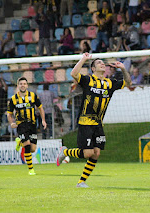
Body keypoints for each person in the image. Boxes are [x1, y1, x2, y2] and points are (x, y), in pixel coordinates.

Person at [56, 53, 131, 188]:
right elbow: (74, 74)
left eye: (103, 63)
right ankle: (65, 151)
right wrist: (83, 59)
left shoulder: (110, 83)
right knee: (88, 153)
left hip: (98, 123)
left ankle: (81, 182)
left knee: (96, 153)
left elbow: (128, 83)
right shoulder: (88, 80)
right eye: (99, 63)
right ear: (93, 69)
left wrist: (123, 69)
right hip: (86, 122)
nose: (102, 64)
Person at [7, 77, 47, 175]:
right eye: (21, 84)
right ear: (18, 86)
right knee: (28, 146)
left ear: (27, 85)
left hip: (32, 124)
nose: (23, 85)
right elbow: (9, 113)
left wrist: (43, 120)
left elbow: (40, 108)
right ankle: (31, 169)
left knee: (33, 149)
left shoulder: (33, 96)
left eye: (24, 84)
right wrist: (11, 123)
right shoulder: (13, 99)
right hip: (21, 125)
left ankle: (19, 142)